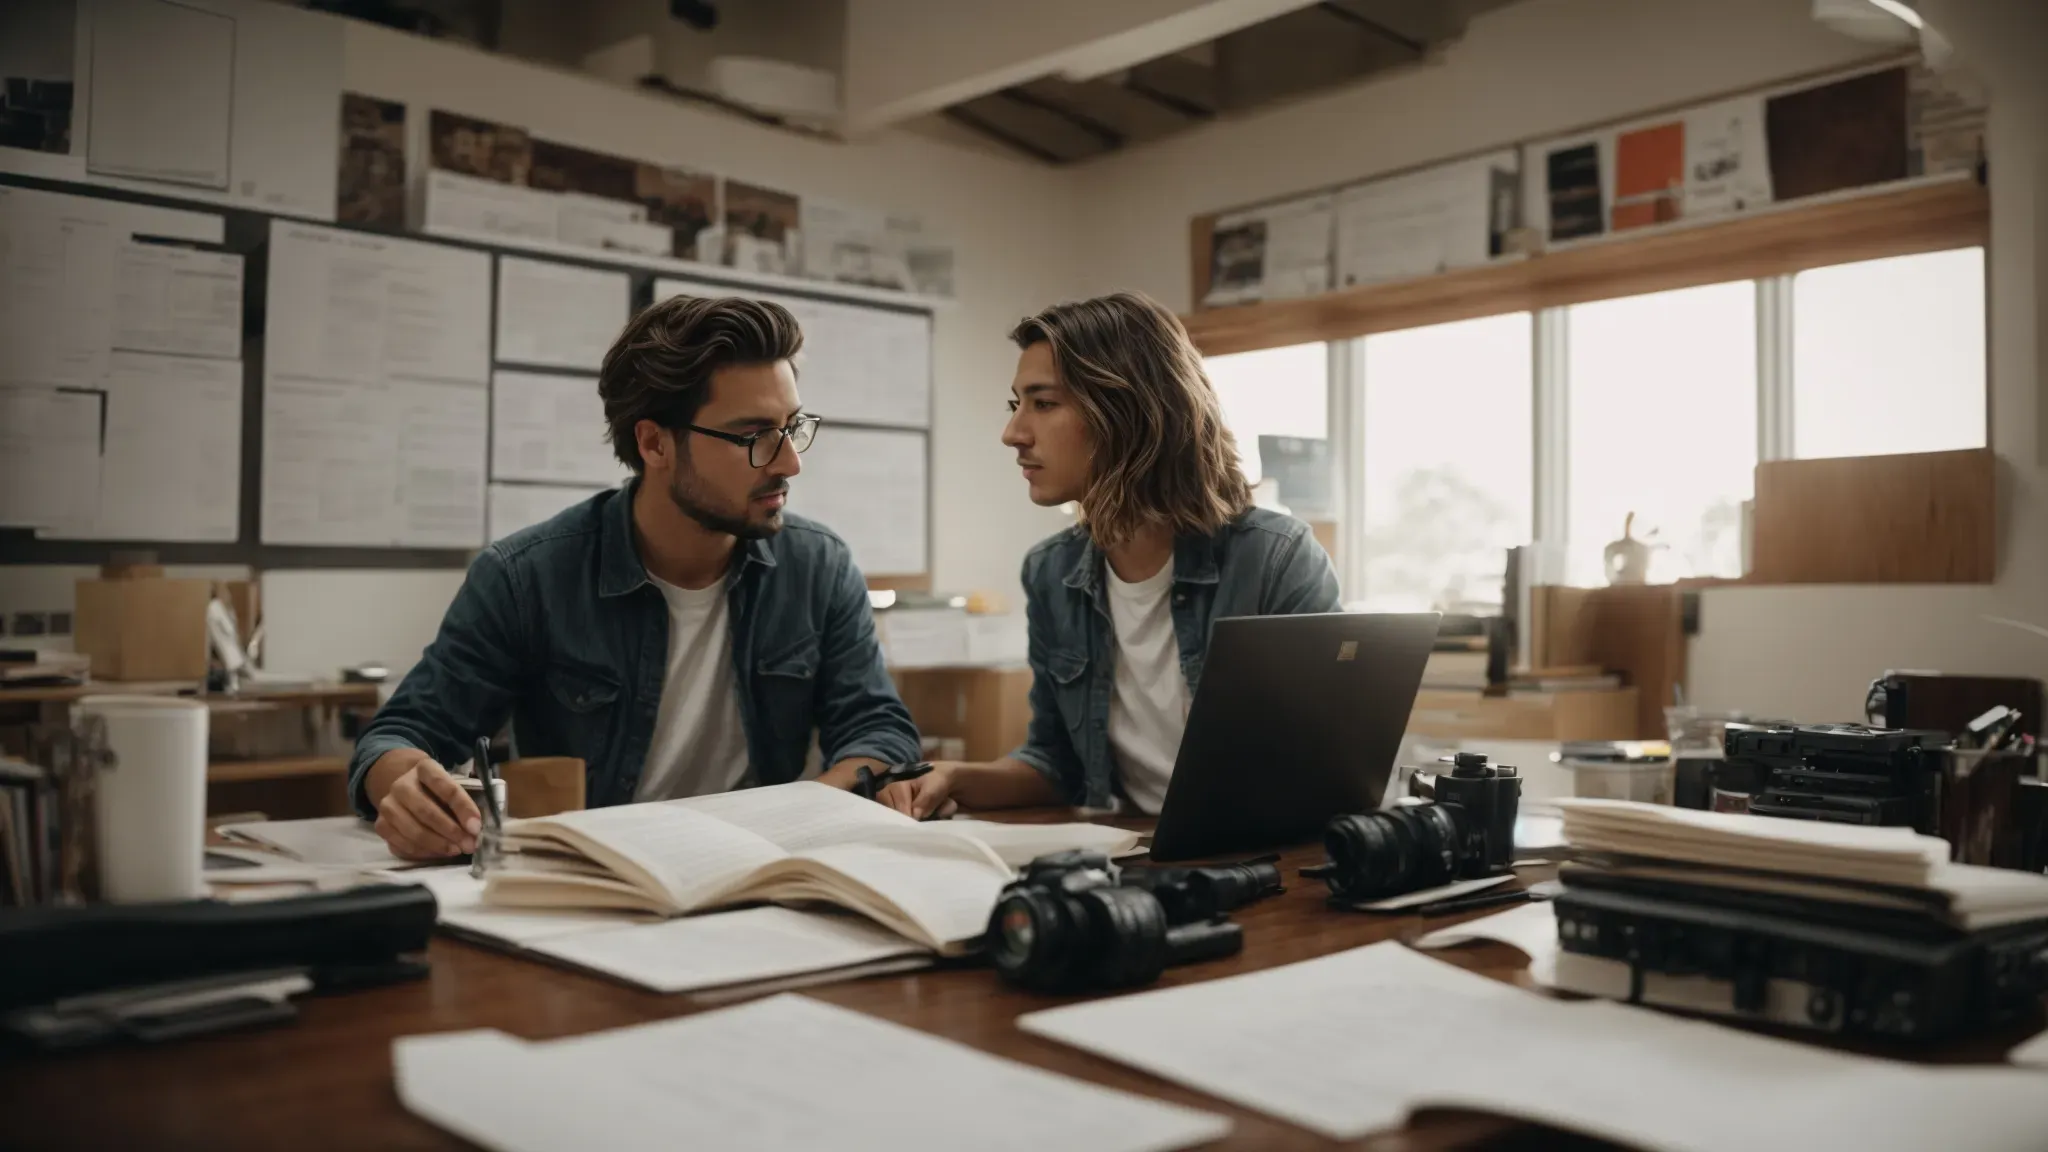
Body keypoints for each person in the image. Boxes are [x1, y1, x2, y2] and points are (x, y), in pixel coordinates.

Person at [350, 295, 921, 860]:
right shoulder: (526, 577)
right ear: (654, 443)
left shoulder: (819, 567)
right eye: (753, 437)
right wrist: (405, 789)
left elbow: (877, 732)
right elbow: (399, 736)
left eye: (792, 427)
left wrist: (788, 818)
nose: (789, 462)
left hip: (762, 874)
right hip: (596, 883)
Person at [879, 292, 1340, 819]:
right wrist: (954, 777)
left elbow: (1322, 771)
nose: (1013, 433)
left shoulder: (1276, 559)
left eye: (1043, 403)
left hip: (1259, 861)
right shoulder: (1051, 571)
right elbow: (1057, 764)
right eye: (1016, 404)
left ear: (1127, 412)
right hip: (1137, 855)